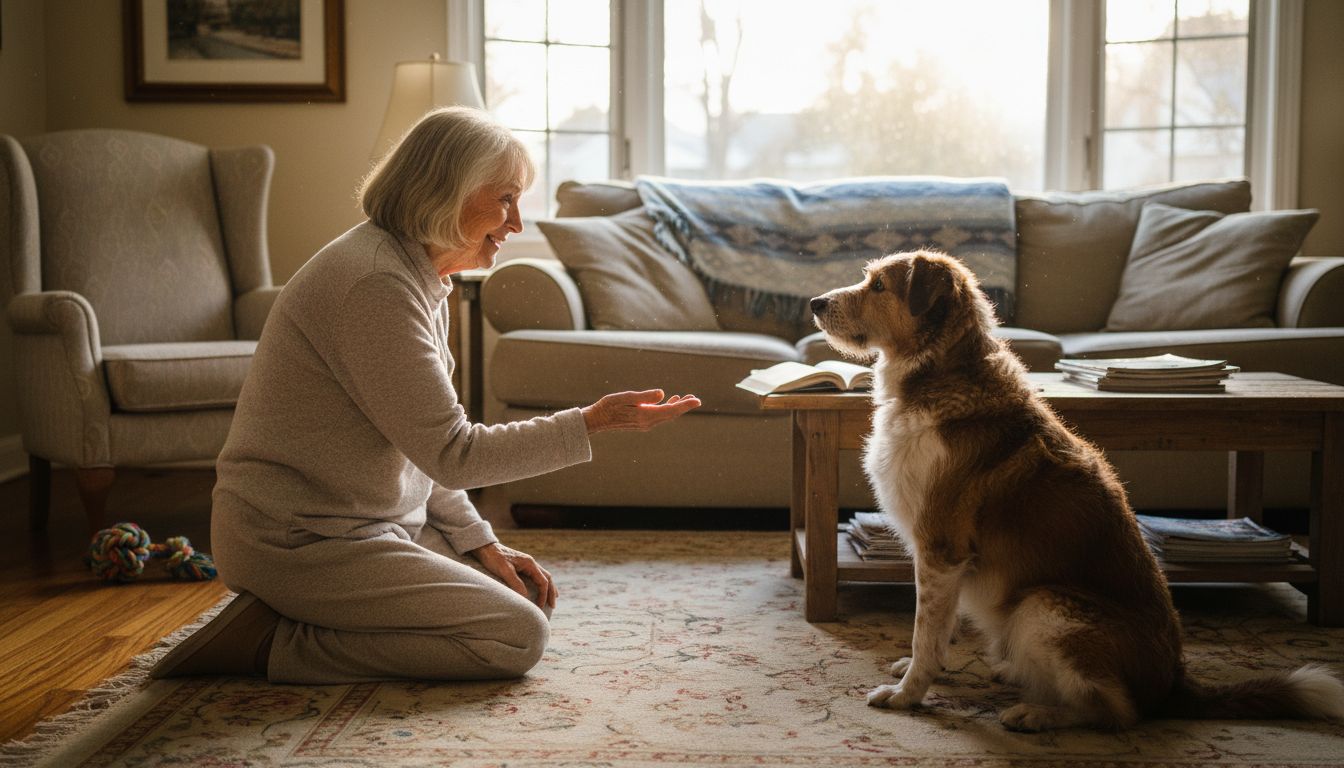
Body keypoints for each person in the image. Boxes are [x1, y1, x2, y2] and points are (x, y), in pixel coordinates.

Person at [150, 107, 701, 683]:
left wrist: (480, 543)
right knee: (514, 636)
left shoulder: (418, 277)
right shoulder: (376, 286)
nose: (516, 224)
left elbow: (422, 448)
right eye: (507, 199)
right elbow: (454, 453)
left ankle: (299, 615)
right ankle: (270, 641)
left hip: (368, 524)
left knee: (505, 588)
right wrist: (593, 422)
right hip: (300, 540)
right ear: (448, 191)